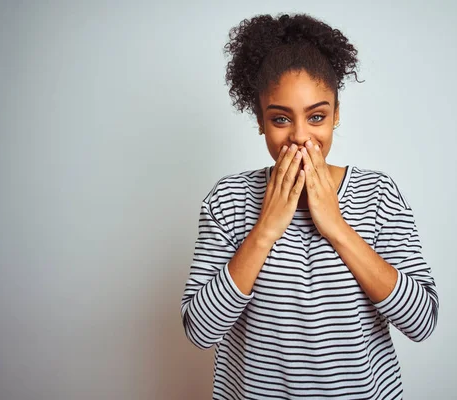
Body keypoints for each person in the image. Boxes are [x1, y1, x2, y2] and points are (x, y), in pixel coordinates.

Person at [180, 12, 439, 400]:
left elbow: (422, 322)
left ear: (336, 116)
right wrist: (266, 228)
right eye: (281, 119)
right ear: (260, 122)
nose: (301, 137)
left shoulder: (379, 194)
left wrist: (336, 225)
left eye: (316, 116)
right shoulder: (228, 200)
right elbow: (200, 331)